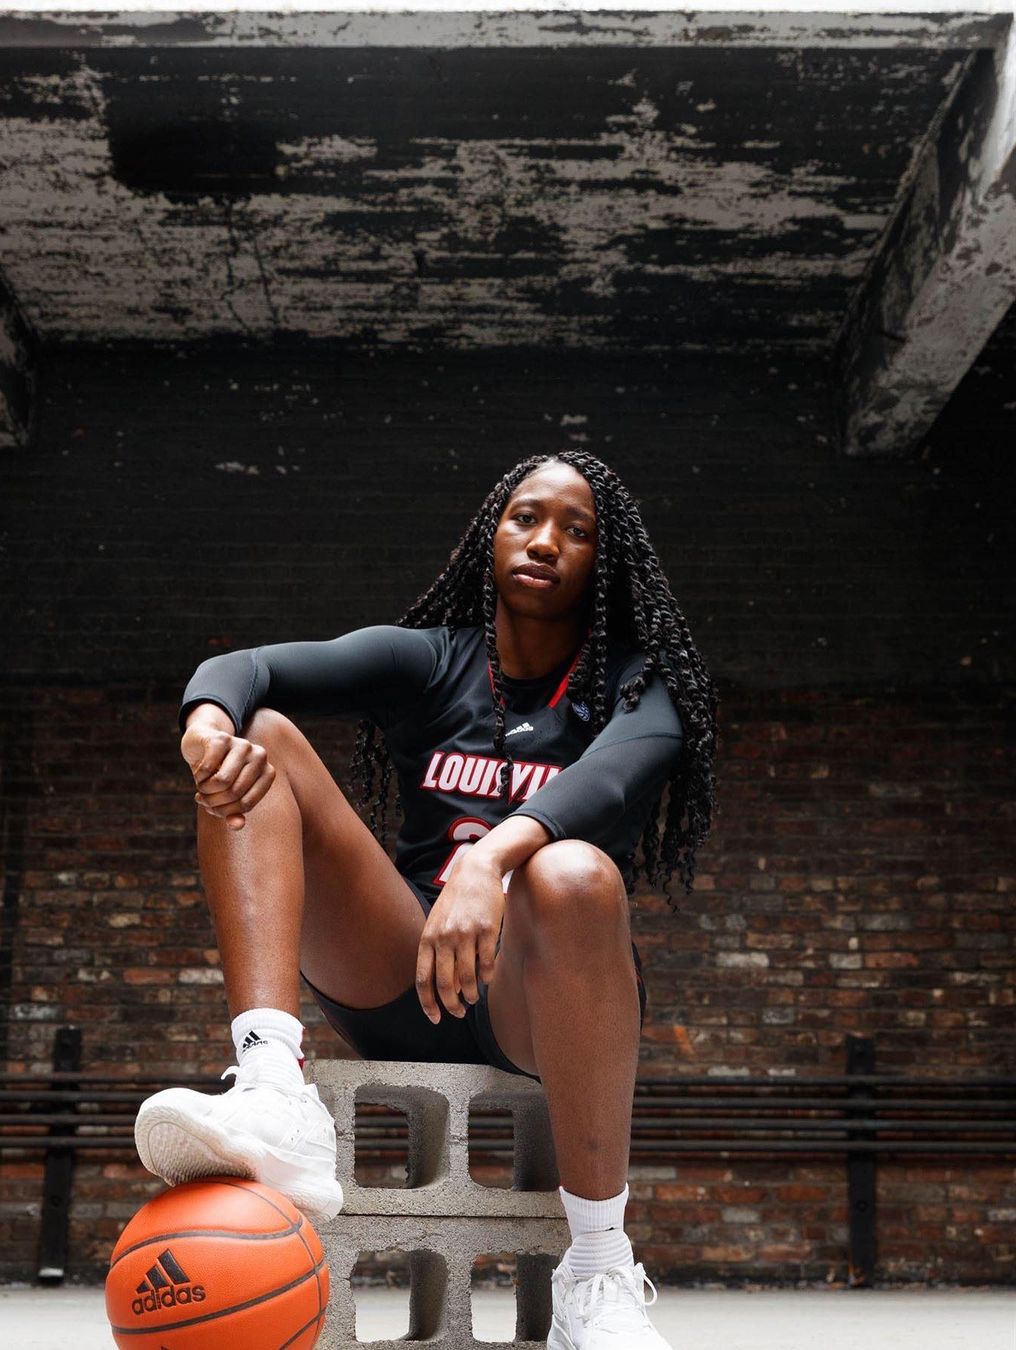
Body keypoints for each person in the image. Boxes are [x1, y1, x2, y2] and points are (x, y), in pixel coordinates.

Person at [134, 450, 719, 1349]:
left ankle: (598, 1272)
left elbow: (605, 783)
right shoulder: (434, 661)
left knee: (572, 872)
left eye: (578, 530)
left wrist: (491, 863)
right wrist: (207, 731)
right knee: (263, 737)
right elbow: (243, 668)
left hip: (537, 1008)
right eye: (527, 517)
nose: (546, 541)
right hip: (404, 978)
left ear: (607, 564)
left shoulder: (644, 686)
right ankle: (270, 1083)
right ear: (491, 534)